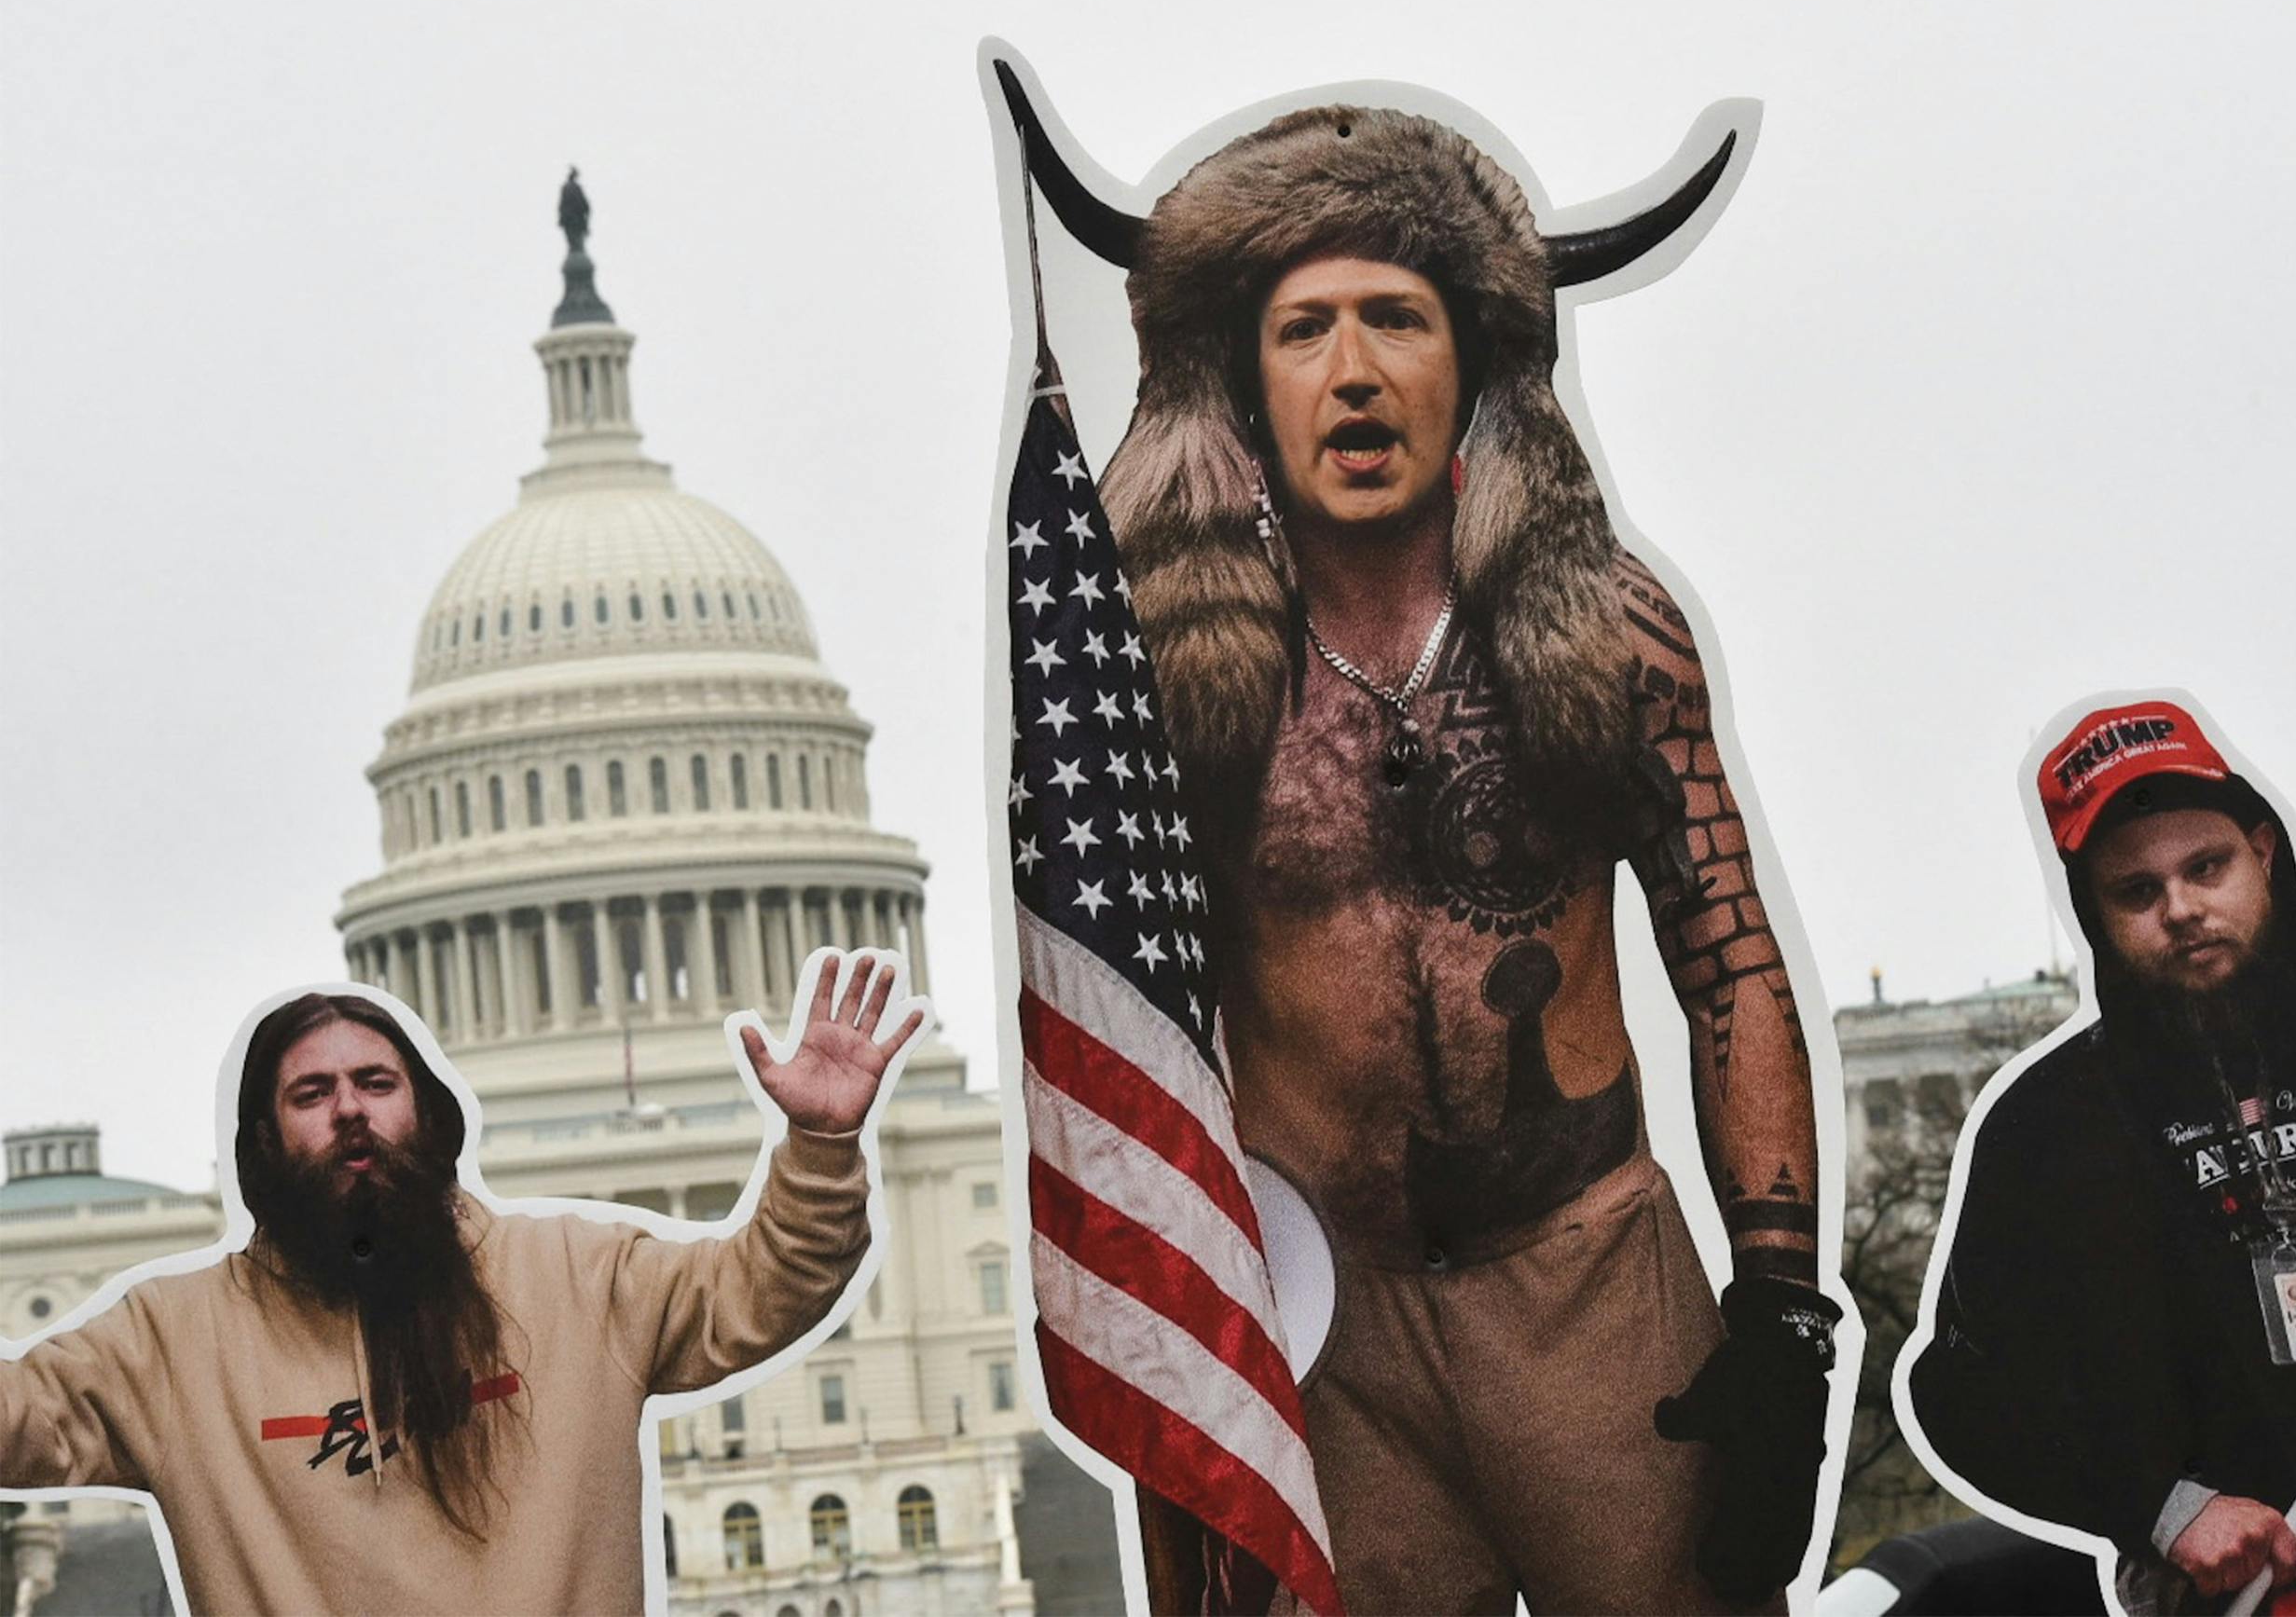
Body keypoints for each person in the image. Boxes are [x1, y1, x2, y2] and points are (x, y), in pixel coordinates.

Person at [1098, 103, 1837, 1612]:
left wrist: (1781, 1316)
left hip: (1587, 1279)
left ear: (1473, 361)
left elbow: (1731, 960)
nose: (1354, 370)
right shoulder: (1173, 678)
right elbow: (1123, 1037)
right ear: (1245, 377)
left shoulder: (1607, 630)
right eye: (1304, 328)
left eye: (1396, 319)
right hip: (1326, 1317)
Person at [0, 952, 918, 1615]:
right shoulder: (170, 1342)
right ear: (264, 1140)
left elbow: (767, 1289)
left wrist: (823, 1145)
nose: (351, 1109)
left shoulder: (573, 1276)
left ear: (428, 1112)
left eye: (375, 1081)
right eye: (311, 1095)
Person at [1906, 702, 2296, 1613]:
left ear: (2263, 853)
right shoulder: (2045, 1123)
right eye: (2137, 891)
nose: (2182, 909)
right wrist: (2165, 1509)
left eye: (2207, 867)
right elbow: (1962, 1391)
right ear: (2096, 915)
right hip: (2219, 1588)